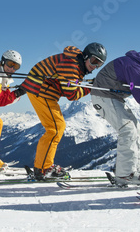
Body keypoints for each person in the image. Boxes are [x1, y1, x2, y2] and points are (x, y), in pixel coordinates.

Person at [20, 43, 107, 180]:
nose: (95, 66)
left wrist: (88, 84)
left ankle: (42, 167)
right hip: (41, 90)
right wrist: (91, 87)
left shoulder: (75, 64)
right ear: (86, 56)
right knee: (55, 128)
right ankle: (43, 169)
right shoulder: (72, 66)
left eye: (99, 64)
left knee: (56, 127)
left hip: (42, 90)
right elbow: (71, 94)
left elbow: (70, 84)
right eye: (94, 61)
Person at [91, 51, 140, 186]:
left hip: (111, 97)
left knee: (136, 129)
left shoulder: (136, 66)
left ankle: (135, 167)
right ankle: (125, 174)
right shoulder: (135, 68)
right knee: (127, 130)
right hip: (104, 96)